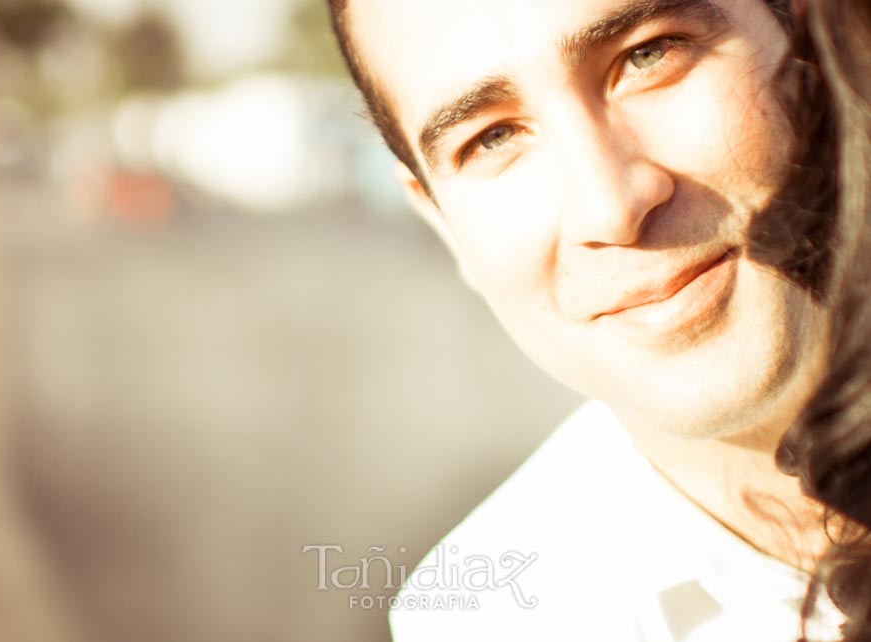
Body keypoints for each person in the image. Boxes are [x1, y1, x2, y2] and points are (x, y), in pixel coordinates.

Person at [326, 0, 871, 640]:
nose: (611, 206)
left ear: (823, 41)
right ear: (441, 221)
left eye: (649, 54)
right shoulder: (488, 621)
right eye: (492, 137)